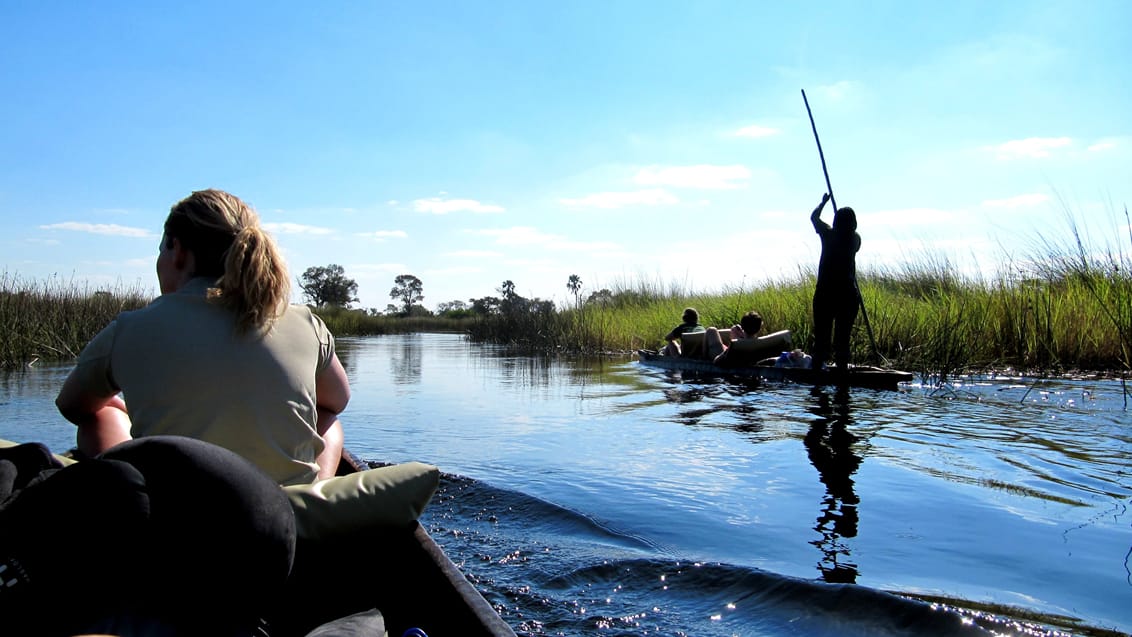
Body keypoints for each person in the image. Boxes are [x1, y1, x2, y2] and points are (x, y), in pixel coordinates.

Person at [55, 189, 350, 485]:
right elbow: (337, 400)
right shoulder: (305, 322)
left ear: (178, 250)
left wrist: (120, 406)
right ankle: (314, 498)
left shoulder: (131, 327)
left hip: (176, 508)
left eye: (162, 250)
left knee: (101, 414)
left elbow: (72, 405)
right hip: (285, 512)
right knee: (328, 420)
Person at [809, 193, 861, 371]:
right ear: (853, 224)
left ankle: (818, 379)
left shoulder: (828, 235)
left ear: (836, 222)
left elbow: (814, 217)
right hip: (848, 295)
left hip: (826, 294)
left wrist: (822, 203)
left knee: (822, 340)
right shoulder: (855, 239)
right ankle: (842, 378)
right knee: (842, 341)